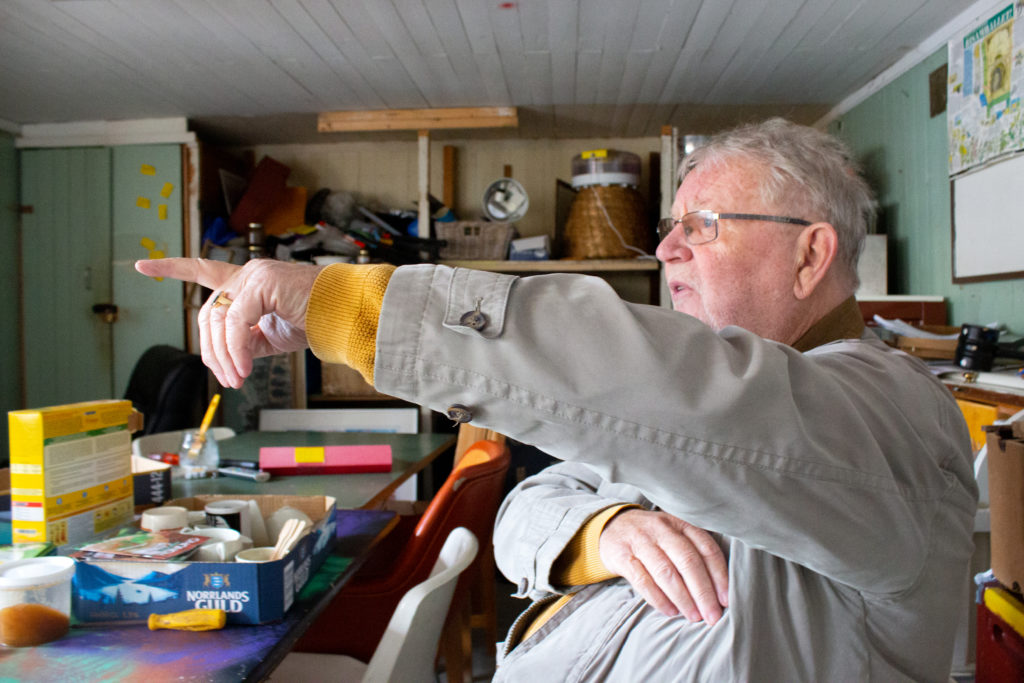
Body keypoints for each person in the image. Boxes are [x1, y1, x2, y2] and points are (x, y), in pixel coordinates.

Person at [137, 118, 976, 682]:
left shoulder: (887, 410)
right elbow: (526, 509)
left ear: (810, 254)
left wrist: (344, 305)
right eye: (671, 224)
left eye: (704, 224)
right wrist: (603, 533)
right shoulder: (694, 409)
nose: (664, 246)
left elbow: (699, 399)